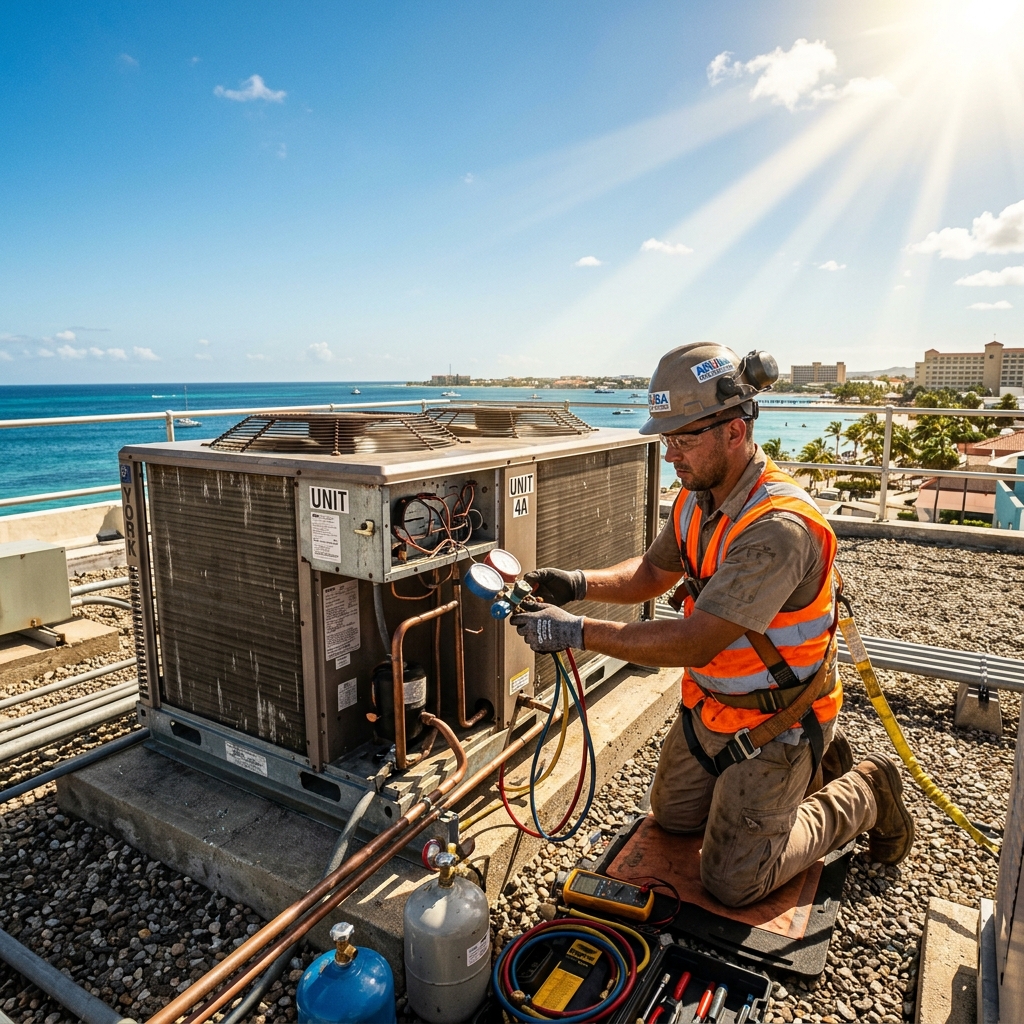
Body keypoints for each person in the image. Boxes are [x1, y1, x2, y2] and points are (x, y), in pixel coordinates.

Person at [509, 343, 913, 908]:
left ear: (735, 429)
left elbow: (696, 641)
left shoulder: (777, 529)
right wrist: (577, 583)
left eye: (685, 438)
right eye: (666, 439)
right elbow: (653, 571)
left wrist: (575, 631)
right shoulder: (698, 498)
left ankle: (864, 790)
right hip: (713, 707)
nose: (671, 454)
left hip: (778, 716)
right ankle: (813, 766)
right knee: (672, 820)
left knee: (733, 883)